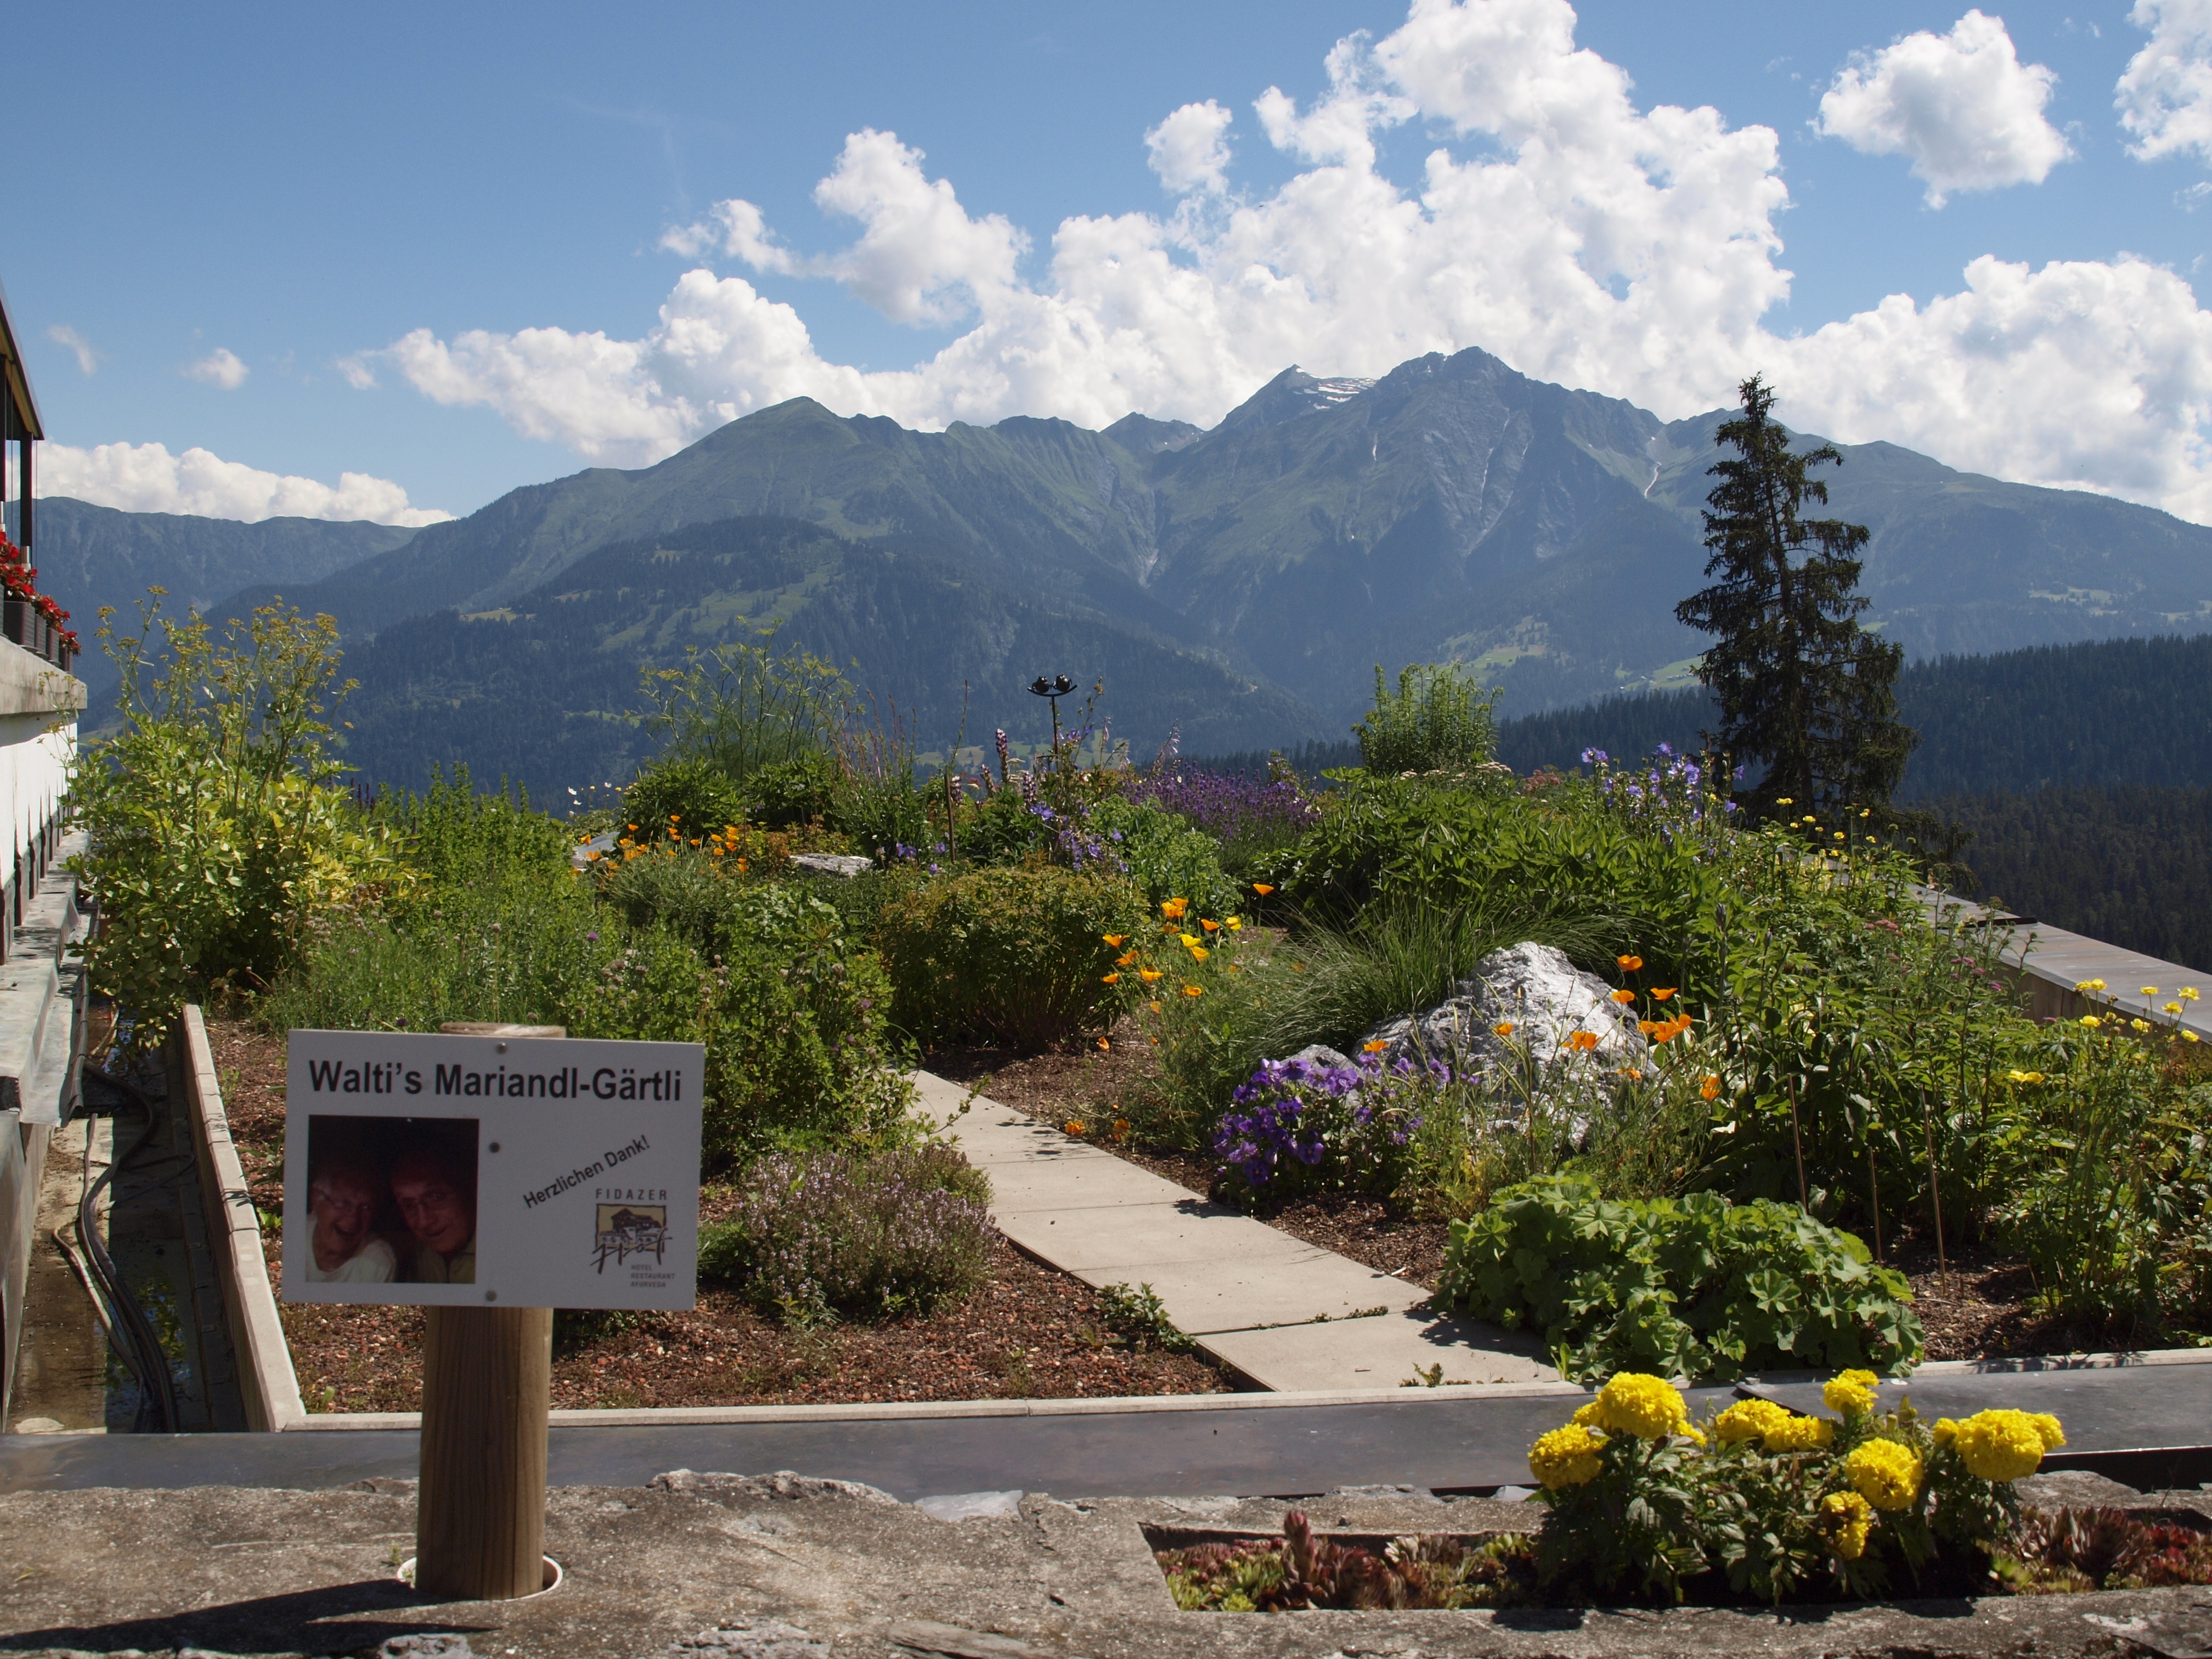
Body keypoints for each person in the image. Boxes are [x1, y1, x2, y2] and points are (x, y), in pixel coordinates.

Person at [391, 1145, 477, 1284]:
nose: (423, 1222)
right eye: (408, 1205)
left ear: (469, 1191)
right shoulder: (417, 1256)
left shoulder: (501, 1255)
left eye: (437, 1196)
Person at [302, 1161, 398, 1283]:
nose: (354, 1219)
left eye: (366, 1208)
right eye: (343, 1203)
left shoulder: (378, 1263)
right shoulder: (295, 1234)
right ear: (316, 1200)